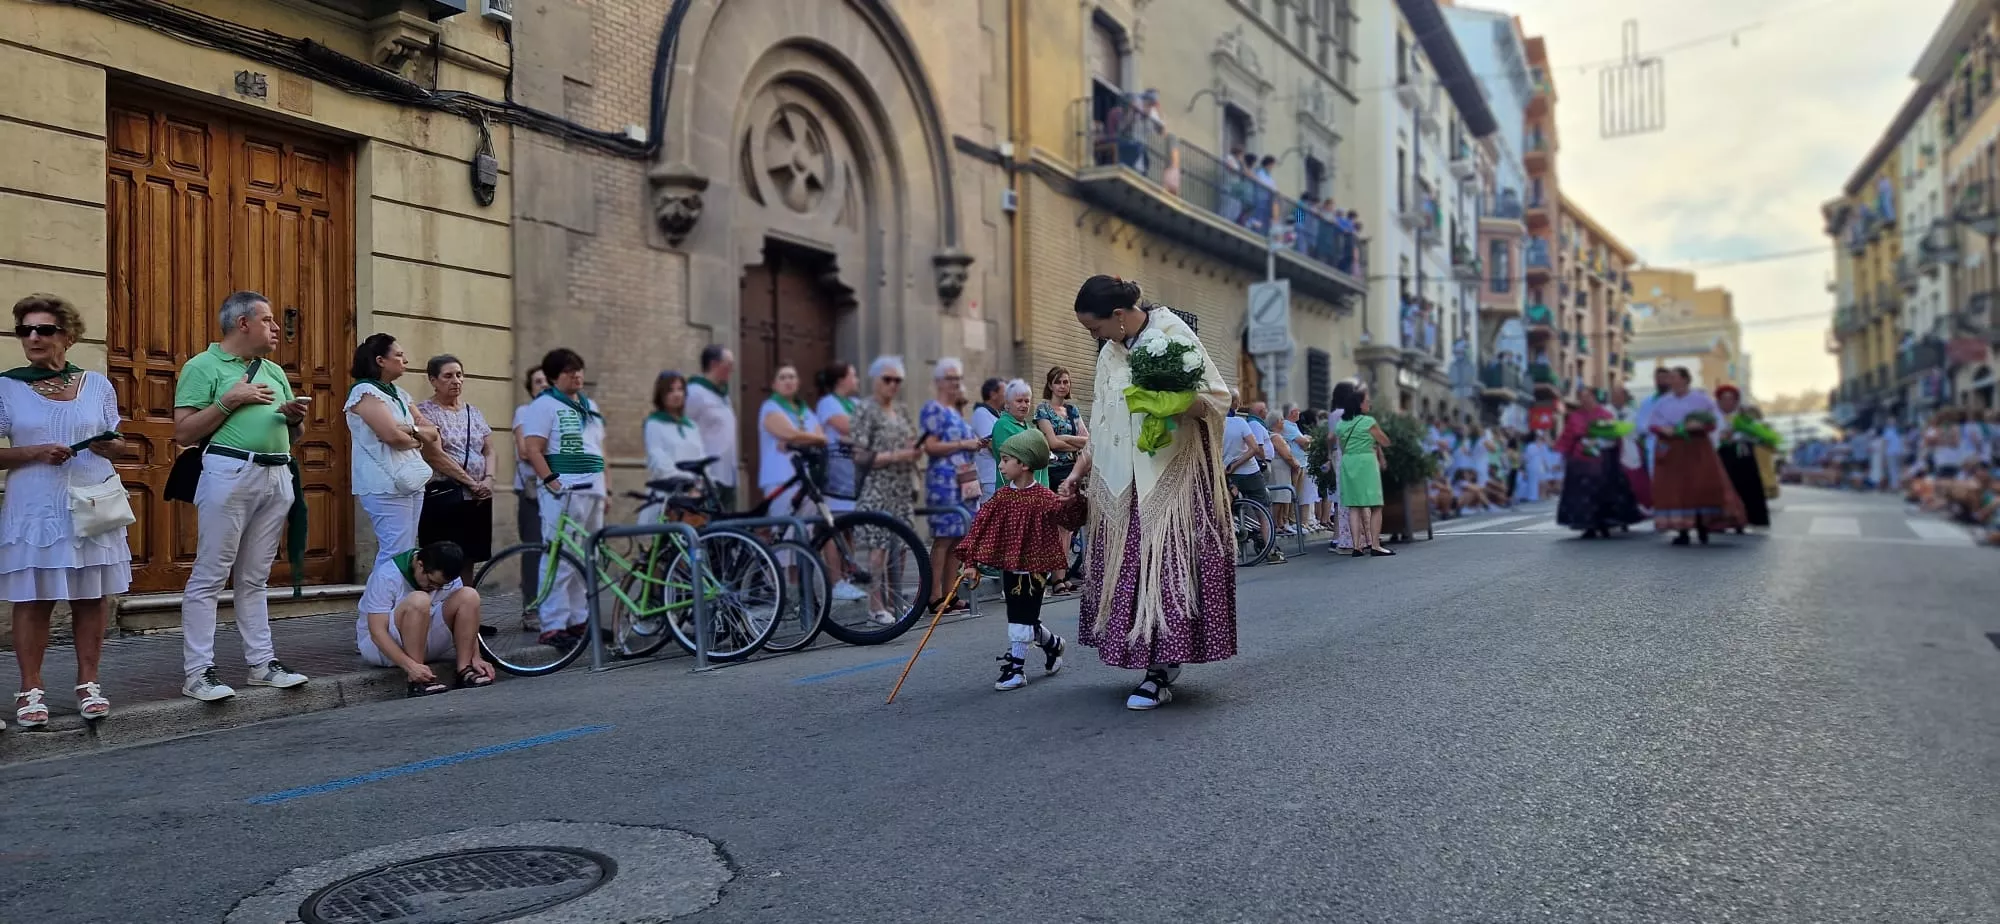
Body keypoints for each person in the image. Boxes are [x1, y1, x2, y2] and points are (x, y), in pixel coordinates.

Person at [1060, 276, 1236, 710]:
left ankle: (1160, 669)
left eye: (1095, 328)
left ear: (1118, 316)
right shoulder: (1109, 355)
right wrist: (1080, 471)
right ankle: (1149, 659)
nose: (1094, 336)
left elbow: (1217, 398)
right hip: (1123, 483)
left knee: (1164, 569)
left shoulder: (1172, 333)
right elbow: (1100, 421)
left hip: (1170, 479)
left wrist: (1173, 399)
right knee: (1132, 571)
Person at [172, 291, 313, 701]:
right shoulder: (203, 366)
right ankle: (198, 672)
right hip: (230, 470)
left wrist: (295, 421)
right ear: (242, 324)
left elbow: (294, 437)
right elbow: (183, 432)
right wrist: (230, 399)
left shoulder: (273, 370)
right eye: (267, 320)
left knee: (255, 576)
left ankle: (262, 664)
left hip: (276, 474)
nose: (276, 328)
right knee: (211, 574)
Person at [1, 294, 130, 726]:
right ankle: (30, 689)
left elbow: (119, 441)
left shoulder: (98, 385)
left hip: (91, 503)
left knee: (91, 596)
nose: (33, 338)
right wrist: (33, 451)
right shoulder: (7, 386)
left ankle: (88, 684)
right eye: (25, 330)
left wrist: (111, 445)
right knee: (33, 599)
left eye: (44, 330)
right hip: (36, 506)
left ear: (68, 336)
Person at [957, 429, 1086, 691]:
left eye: (1005, 460)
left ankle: (1016, 668)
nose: (1001, 465)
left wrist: (1073, 501)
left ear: (1024, 464)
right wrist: (970, 561)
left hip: (1036, 569)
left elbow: (1071, 521)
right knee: (1021, 616)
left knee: (1021, 616)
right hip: (1011, 567)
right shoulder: (1002, 497)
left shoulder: (1045, 498)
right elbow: (980, 527)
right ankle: (1053, 645)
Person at [517, 348, 608, 649]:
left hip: (592, 487)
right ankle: (553, 624)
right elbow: (533, 448)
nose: (577, 375)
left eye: (579, 369)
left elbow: (597, 448)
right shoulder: (544, 405)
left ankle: (579, 620)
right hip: (564, 489)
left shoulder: (588, 405)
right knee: (560, 555)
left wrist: (604, 489)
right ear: (556, 377)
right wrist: (551, 481)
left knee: (586, 556)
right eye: (570, 371)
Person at [346, 334, 439, 572]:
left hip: (410, 478)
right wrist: (415, 436)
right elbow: (392, 438)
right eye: (398, 355)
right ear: (380, 360)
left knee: (406, 550)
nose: (405, 360)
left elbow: (433, 432)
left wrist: (410, 431)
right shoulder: (365, 391)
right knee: (394, 550)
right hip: (384, 481)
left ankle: (397, 606)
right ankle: (377, 606)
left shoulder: (399, 393)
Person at [356, 540, 494, 696]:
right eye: (432, 582)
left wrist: (476, 656)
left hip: (424, 640)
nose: (435, 589)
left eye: (442, 586)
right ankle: (418, 680)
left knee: (469, 595)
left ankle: (465, 669)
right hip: (381, 649)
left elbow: (466, 617)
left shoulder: (447, 577)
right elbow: (377, 632)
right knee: (420, 599)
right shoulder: (386, 575)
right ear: (420, 565)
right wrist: (410, 666)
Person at [849, 356, 924, 625]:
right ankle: (875, 605)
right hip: (876, 484)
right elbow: (858, 454)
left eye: (897, 380)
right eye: (887, 379)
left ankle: (895, 601)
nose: (893, 385)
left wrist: (913, 451)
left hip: (901, 486)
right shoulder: (865, 410)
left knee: (902, 545)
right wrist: (896, 455)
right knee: (877, 547)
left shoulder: (902, 410)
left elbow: (912, 441)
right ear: (875, 380)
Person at [1645, 367, 1745, 545]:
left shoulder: (1701, 400)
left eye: (1675, 378)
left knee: (1699, 485)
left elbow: (1714, 422)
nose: (1672, 381)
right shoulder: (1663, 402)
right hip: (1674, 449)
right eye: (1670, 379)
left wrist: (1700, 426)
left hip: (1696, 447)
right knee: (1678, 488)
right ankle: (1682, 530)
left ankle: (1703, 525)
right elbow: (1652, 423)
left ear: (1685, 380)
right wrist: (1662, 429)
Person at [415, 354, 496, 565]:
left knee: (469, 557)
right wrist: (472, 483)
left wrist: (488, 480)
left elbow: (489, 449)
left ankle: (465, 598)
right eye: (448, 376)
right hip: (446, 495)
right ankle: (439, 599)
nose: (456, 381)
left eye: (459, 375)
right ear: (433, 381)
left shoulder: (473, 412)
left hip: (477, 498)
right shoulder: (425, 413)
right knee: (441, 558)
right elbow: (434, 455)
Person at [921, 359, 986, 615]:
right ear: (938, 382)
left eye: (958, 378)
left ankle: (950, 593)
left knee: (960, 538)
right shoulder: (933, 409)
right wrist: (963, 444)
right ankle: (934, 595)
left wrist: (975, 444)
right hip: (944, 480)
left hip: (964, 479)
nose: (956, 383)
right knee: (943, 538)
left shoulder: (956, 413)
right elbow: (931, 446)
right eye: (950, 378)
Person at [1553, 387, 1646, 538]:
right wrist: (1561, 456)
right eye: (1582, 397)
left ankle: (1604, 523)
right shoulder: (1575, 416)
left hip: (1602, 459)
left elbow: (1614, 435)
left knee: (1604, 491)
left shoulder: (1605, 414)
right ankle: (1588, 525)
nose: (1585, 399)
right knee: (1582, 493)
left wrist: (1605, 436)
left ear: (1594, 397)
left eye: (1588, 396)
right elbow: (1567, 437)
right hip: (1581, 460)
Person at [1036, 367, 1090, 593]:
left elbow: (1088, 439)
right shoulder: (1043, 410)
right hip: (1054, 470)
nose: (1062, 386)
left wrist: (1066, 438)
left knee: (1068, 527)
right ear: (1050, 385)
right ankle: (1056, 578)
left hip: (1072, 469)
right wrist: (1069, 441)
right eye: (1058, 382)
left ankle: (1062, 574)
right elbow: (1052, 443)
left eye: (1066, 382)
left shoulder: (1072, 409)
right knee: (1058, 525)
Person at [756, 364, 828, 517]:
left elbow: (822, 439)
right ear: (774, 385)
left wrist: (797, 441)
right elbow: (790, 434)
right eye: (782, 378)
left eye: (791, 377)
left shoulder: (806, 410)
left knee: (807, 531)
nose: (788, 381)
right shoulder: (770, 407)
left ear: (798, 382)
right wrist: (805, 438)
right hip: (780, 478)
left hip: (805, 479)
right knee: (785, 528)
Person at [510, 367, 549, 632]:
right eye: (537, 381)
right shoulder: (525, 412)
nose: (543, 385)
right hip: (534, 492)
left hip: (560, 492)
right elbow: (525, 451)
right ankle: (531, 609)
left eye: (547, 380)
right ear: (530, 387)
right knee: (534, 550)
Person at [640, 371, 706, 522]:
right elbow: (658, 458)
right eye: (671, 390)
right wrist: (685, 485)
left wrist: (701, 485)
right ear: (661, 394)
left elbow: (701, 458)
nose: (677, 394)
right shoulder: (654, 423)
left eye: (680, 389)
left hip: (695, 495)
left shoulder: (692, 427)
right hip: (668, 494)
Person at [1335, 386, 1392, 557]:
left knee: (1354, 505)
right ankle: (1375, 545)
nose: (1369, 404)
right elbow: (1385, 441)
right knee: (1375, 505)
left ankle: (1356, 546)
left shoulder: (1341, 424)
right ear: (1360, 405)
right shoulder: (1368, 422)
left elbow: (1341, 445)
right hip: (1366, 462)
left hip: (1348, 461)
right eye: (1367, 401)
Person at [1712, 385, 1772, 531]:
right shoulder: (1713, 416)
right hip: (1722, 454)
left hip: (1742, 455)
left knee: (1747, 486)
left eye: (1731, 399)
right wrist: (1722, 437)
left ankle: (1747, 519)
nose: (1728, 402)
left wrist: (1740, 435)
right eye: (1724, 399)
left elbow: (1756, 433)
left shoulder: (1743, 417)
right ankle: (1722, 521)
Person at [685, 345, 738, 509]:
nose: (733, 369)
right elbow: (684, 432)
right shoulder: (694, 393)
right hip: (707, 476)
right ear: (714, 364)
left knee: (727, 530)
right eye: (729, 364)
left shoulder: (724, 397)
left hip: (727, 475)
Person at [814, 362, 861, 515]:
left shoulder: (856, 403)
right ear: (841, 380)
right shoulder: (827, 403)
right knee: (838, 522)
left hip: (855, 473)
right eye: (853, 376)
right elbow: (848, 426)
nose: (857, 380)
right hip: (836, 474)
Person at [989, 379, 1045, 490]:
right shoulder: (1002, 425)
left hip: (1033, 489)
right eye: (1019, 401)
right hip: (1014, 491)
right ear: (1007, 404)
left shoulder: (1028, 427)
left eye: (1027, 401)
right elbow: (1010, 459)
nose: (1024, 405)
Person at [1610, 385, 1652, 512]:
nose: (1617, 398)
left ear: (1625, 398)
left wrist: (1619, 429)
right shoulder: (1605, 411)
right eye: (1614, 395)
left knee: (1634, 482)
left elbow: (1637, 430)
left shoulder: (1633, 413)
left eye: (1620, 395)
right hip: (1610, 450)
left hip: (1628, 448)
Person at [969, 378, 1004, 504]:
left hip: (999, 475)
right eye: (1004, 391)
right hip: (989, 477)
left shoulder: (999, 415)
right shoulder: (982, 413)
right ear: (993, 394)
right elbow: (991, 443)